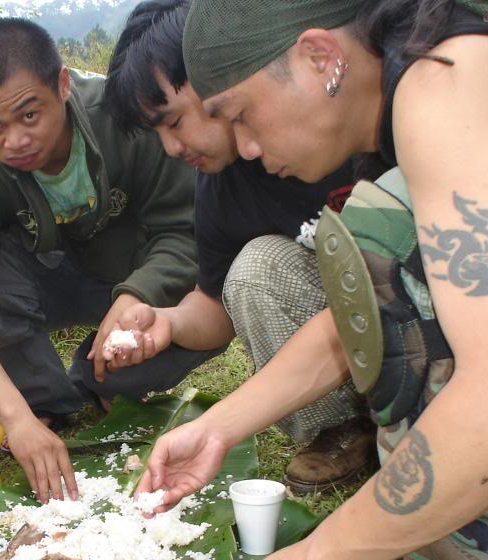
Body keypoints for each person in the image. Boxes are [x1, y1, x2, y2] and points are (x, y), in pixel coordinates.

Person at [138, 0, 488, 560]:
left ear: (321, 58)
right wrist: (219, 428)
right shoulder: (419, 77)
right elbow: (352, 327)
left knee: (386, 230)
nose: (247, 149)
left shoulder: (445, 84)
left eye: (241, 114)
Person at [0, 17, 219, 505]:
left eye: (28, 116)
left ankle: (106, 384)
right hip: (45, 283)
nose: (13, 141)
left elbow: (185, 230)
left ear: (61, 85)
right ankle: (41, 407)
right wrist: (13, 418)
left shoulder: (125, 116)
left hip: (134, 274)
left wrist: (139, 294)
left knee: (207, 288)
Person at [103, 0, 382, 494]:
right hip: (359, 311)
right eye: (157, 134)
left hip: (399, 308)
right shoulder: (222, 183)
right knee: (255, 270)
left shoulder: (357, 122)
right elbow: (216, 303)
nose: (172, 148)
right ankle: (343, 429)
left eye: (175, 121)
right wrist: (168, 321)